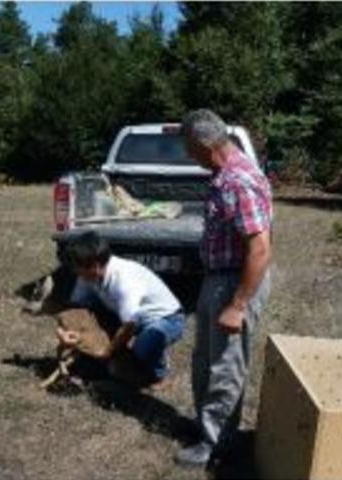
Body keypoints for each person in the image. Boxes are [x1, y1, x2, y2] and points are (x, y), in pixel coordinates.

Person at [175, 109, 273, 467]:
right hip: (218, 279)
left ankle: (218, 443)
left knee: (226, 365)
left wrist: (239, 303)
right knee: (206, 360)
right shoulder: (224, 175)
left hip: (235, 282)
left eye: (188, 147)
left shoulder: (237, 180)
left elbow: (260, 249)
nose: (188, 155)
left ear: (203, 143)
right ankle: (207, 426)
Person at [61, 231, 185, 389]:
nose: (76, 273)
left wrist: (107, 351)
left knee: (144, 346)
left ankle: (158, 374)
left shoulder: (124, 280)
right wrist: (64, 331)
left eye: (78, 268)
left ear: (95, 265)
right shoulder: (88, 274)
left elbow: (129, 326)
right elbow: (76, 308)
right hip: (128, 318)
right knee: (92, 318)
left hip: (167, 319)